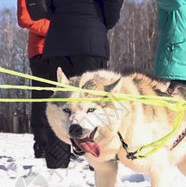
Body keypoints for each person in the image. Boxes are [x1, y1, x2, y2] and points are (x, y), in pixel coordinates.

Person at [42, 0, 124, 169]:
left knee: (61, 103)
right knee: (96, 103)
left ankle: (57, 162)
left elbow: (38, 9)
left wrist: (57, 14)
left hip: (57, 38)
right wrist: (103, 21)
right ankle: (100, 161)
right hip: (91, 37)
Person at [17, 0, 52, 159]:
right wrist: (55, 28)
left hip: (66, 48)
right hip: (40, 51)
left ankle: (62, 144)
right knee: (42, 96)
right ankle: (43, 143)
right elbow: (25, 19)